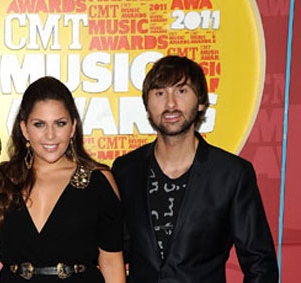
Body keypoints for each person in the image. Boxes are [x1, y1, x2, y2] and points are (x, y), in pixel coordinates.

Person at [112, 55, 278, 282]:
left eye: (181, 91)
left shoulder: (231, 174)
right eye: (160, 93)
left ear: (200, 101)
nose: (170, 104)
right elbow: (115, 250)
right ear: (147, 107)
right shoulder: (125, 170)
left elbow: (260, 263)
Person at [0, 76, 126, 282]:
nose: (50, 135)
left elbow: (112, 262)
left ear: (72, 127)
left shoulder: (97, 180)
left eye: (59, 123)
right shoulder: (2, 179)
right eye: (40, 124)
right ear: (25, 129)